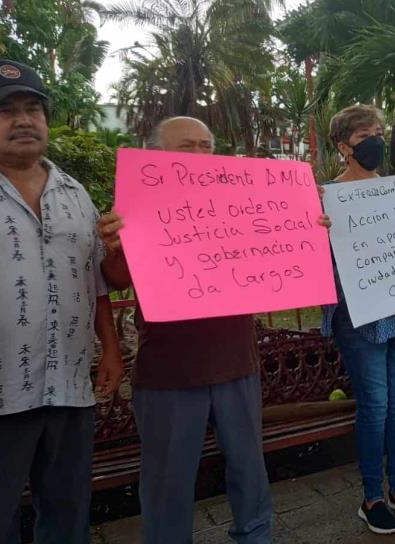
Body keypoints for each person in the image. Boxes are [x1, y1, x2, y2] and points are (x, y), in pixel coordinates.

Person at [97, 117, 299, 543]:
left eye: (206, 146)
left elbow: (281, 247)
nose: (200, 155)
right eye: (187, 146)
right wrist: (116, 246)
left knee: (249, 467)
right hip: (169, 372)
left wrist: (306, 225)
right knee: (168, 481)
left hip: (236, 362)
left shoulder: (240, 198)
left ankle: (256, 535)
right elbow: (116, 280)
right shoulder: (136, 207)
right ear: (154, 155)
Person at [0, 59, 124, 543]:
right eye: (5, 110)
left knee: (68, 511)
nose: (24, 120)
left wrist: (110, 348)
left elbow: (94, 280)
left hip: (69, 388)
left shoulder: (73, 193)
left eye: (33, 108)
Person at [320, 105, 395, 535]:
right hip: (360, 317)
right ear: (343, 145)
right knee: (376, 406)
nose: (377, 140)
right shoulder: (326, 197)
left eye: (380, 132)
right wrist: (318, 228)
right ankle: (373, 497)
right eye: (367, 134)